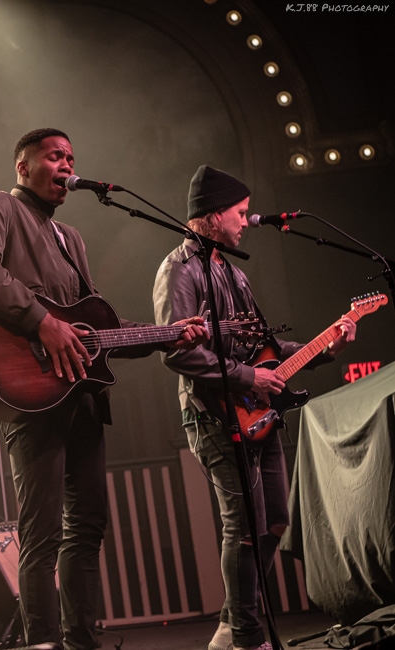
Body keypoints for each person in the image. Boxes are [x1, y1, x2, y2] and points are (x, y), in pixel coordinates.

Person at [0, 128, 208, 649]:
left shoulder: (71, 238)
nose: (67, 164)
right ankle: (43, 643)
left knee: (87, 528)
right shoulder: (1, 206)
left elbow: (95, 329)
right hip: (32, 394)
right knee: (42, 535)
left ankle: (82, 642)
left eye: (71, 156)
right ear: (23, 167)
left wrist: (167, 334)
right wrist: (42, 322)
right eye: (54, 156)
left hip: (82, 396)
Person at [152, 165, 356, 650]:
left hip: (258, 412)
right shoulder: (178, 270)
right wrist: (248, 377)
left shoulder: (234, 273)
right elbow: (176, 351)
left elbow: (266, 347)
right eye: (240, 213)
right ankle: (246, 635)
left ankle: (231, 622)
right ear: (213, 214)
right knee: (243, 526)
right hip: (214, 415)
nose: (247, 221)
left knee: (275, 523)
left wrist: (324, 346)